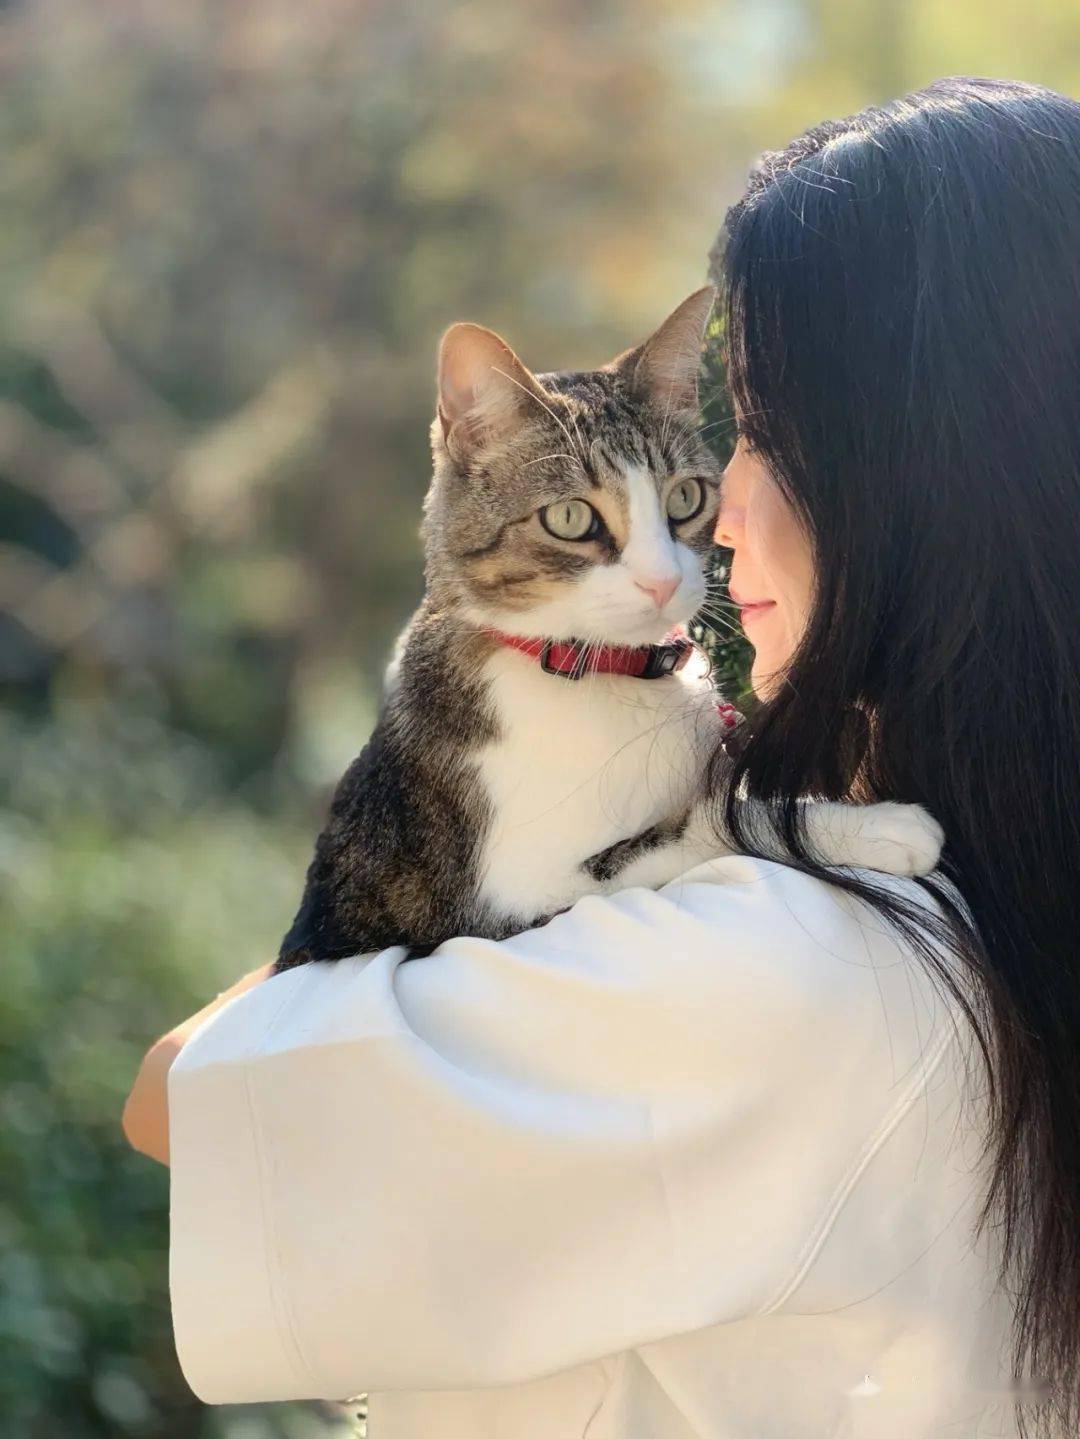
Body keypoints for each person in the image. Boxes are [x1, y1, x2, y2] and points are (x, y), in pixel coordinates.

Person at [123, 75, 1080, 1438]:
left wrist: (419, 813)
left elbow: (181, 1098)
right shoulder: (999, 910)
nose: (718, 515)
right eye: (727, 434)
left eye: (774, 437)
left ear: (933, 494)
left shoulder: (781, 982)